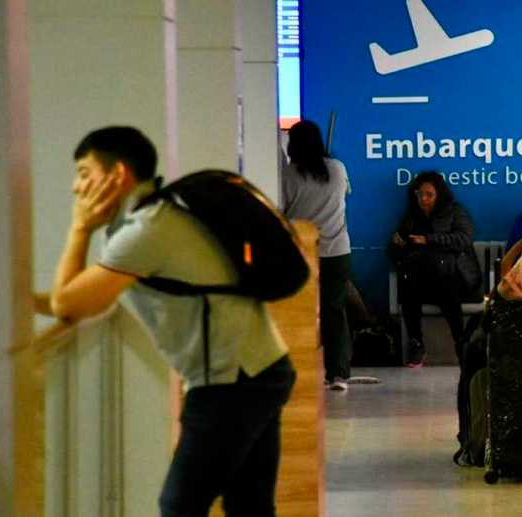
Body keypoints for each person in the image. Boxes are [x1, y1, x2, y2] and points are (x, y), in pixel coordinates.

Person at [47, 126, 295, 516]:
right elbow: (83, 296)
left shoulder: (147, 230)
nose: (76, 188)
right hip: (260, 367)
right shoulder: (158, 217)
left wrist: (79, 227)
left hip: (231, 381)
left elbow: (68, 305)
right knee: (248, 505)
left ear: (118, 174)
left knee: (181, 505)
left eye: (83, 173)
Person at [281, 120, 353, 392]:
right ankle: (338, 374)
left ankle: (302, 370)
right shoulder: (337, 168)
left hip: (301, 252)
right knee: (335, 312)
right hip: (337, 251)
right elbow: (346, 193)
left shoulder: (288, 175)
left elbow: (281, 210)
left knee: (301, 314)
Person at [388, 171, 480, 367]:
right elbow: (395, 248)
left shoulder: (454, 211)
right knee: (408, 286)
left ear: (439, 194)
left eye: (429, 194)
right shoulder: (412, 216)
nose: (423, 199)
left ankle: (461, 343)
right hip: (422, 279)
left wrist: (429, 240)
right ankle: (416, 344)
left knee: (446, 286)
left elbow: (464, 238)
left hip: (455, 276)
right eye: (420, 194)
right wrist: (398, 244)